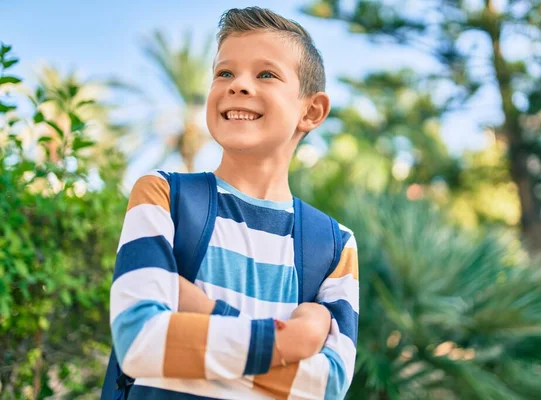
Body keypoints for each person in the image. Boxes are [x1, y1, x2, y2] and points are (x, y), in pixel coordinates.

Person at [109, 6, 359, 399]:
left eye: (266, 74)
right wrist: (288, 343)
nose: (238, 85)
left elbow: (325, 385)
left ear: (311, 111)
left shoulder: (334, 243)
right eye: (224, 72)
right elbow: (139, 341)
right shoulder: (162, 195)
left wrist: (205, 314)